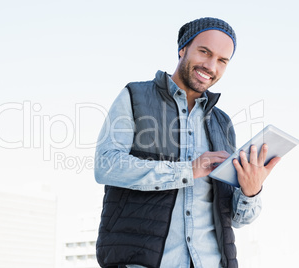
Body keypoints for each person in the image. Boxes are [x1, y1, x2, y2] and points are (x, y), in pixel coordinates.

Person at [94, 17, 280, 268]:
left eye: (222, 61)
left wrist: (251, 190)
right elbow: (106, 165)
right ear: (183, 49)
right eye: (204, 52)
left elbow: (235, 218)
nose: (211, 66)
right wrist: (187, 170)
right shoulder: (135, 96)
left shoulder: (222, 122)